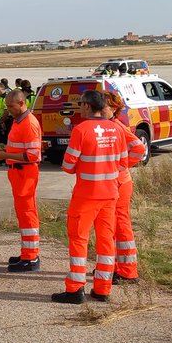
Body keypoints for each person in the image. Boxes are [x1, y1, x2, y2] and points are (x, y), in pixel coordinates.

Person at [54, 90, 128, 304]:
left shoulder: (81, 130)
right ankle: (103, 289)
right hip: (110, 194)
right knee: (106, 240)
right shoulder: (116, 129)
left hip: (86, 195)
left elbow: (68, 166)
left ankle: (76, 289)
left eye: (80, 105)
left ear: (87, 106)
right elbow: (123, 163)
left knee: (78, 239)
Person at [0, 91, 43, 272]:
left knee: (28, 213)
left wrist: (5, 154)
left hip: (25, 173)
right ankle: (27, 253)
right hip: (18, 172)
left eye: (11, 106)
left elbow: (32, 155)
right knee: (23, 213)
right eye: (7, 106)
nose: (9, 110)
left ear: (21, 103)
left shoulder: (28, 124)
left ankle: (31, 257)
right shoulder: (18, 121)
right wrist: (6, 151)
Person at [103, 90, 148, 284]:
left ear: (113, 108)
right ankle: (114, 266)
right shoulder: (107, 126)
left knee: (120, 224)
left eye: (102, 107)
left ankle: (128, 270)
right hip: (115, 182)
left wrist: (121, 166)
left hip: (120, 182)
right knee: (112, 225)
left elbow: (139, 148)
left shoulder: (116, 126)